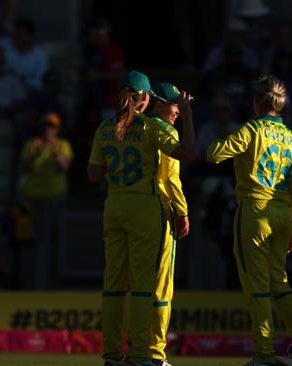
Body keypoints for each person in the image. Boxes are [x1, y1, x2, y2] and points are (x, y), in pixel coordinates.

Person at [206, 75, 292, 366]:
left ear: (256, 103)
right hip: (283, 216)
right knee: (280, 285)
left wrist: (225, 134)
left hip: (254, 212)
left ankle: (263, 354)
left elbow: (213, 155)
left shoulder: (250, 130)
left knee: (257, 288)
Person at [87, 71, 196, 366]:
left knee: (113, 285)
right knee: (144, 287)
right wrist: (186, 116)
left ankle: (111, 354)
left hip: (114, 206)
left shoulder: (104, 129)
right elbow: (188, 153)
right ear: (147, 98)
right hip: (146, 209)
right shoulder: (150, 128)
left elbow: (93, 174)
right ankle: (140, 355)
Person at [144, 82, 190, 366]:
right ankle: (154, 353)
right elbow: (171, 178)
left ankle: (134, 350)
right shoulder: (165, 131)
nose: (178, 110)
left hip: (131, 210)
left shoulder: (136, 126)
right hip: (160, 213)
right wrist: (183, 211)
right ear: (157, 104)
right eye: (173, 105)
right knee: (162, 287)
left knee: (136, 285)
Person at [17, 112, 73, 289]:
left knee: (52, 243)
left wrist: (55, 151)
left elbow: (64, 166)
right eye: (45, 126)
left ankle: (51, 284)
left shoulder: (63, 145)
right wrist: (38, 152)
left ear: (57, 129)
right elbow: (25, 168)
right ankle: (29, 284)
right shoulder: (32, 145)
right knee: (29, 242)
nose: (48, 130)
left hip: (54, 200)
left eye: (52, 126)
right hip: (32, 200)